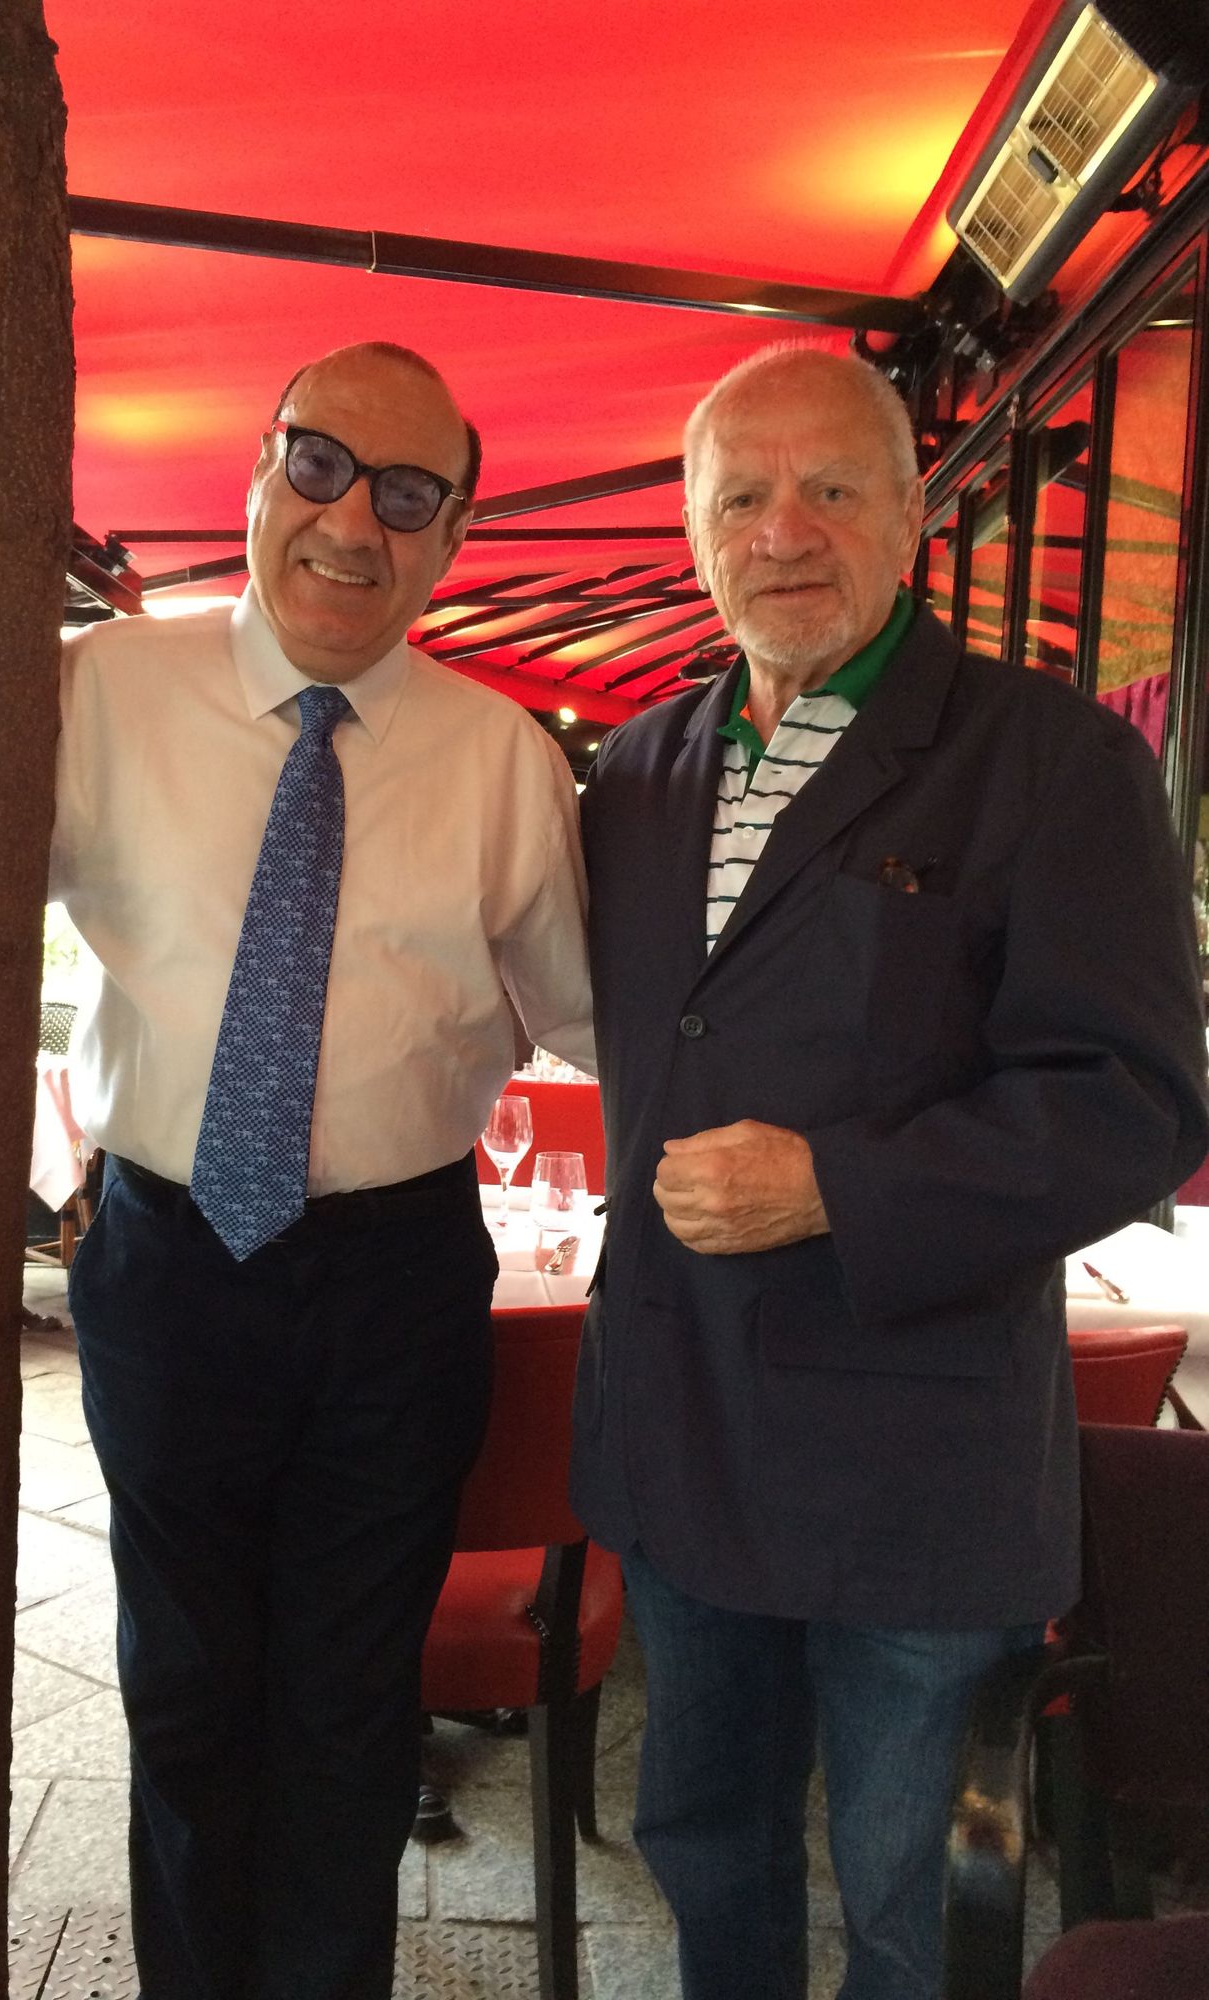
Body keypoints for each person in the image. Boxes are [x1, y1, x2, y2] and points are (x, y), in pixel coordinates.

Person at [0, 341, 593, 2000]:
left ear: (453, 536)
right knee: (188, 1693)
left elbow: (595, 1012)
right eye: (319, 464)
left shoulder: (504, 758)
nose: (351, 522)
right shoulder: (103, 690)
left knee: (352, 1704)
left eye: (407, 494)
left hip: (400, 1278)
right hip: (171, 1264)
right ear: (260, 470)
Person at [572, 344, 1209, 2000]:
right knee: (706, 1849)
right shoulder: (637, 773)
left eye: (831, 488)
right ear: (695, 533)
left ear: (914, 513)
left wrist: (838, 1187)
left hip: (915, 1461)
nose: (783, 530)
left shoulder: (1053, 762)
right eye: (741, 498)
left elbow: (1136, 1102)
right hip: (679, 1426)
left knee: (905, 1913)